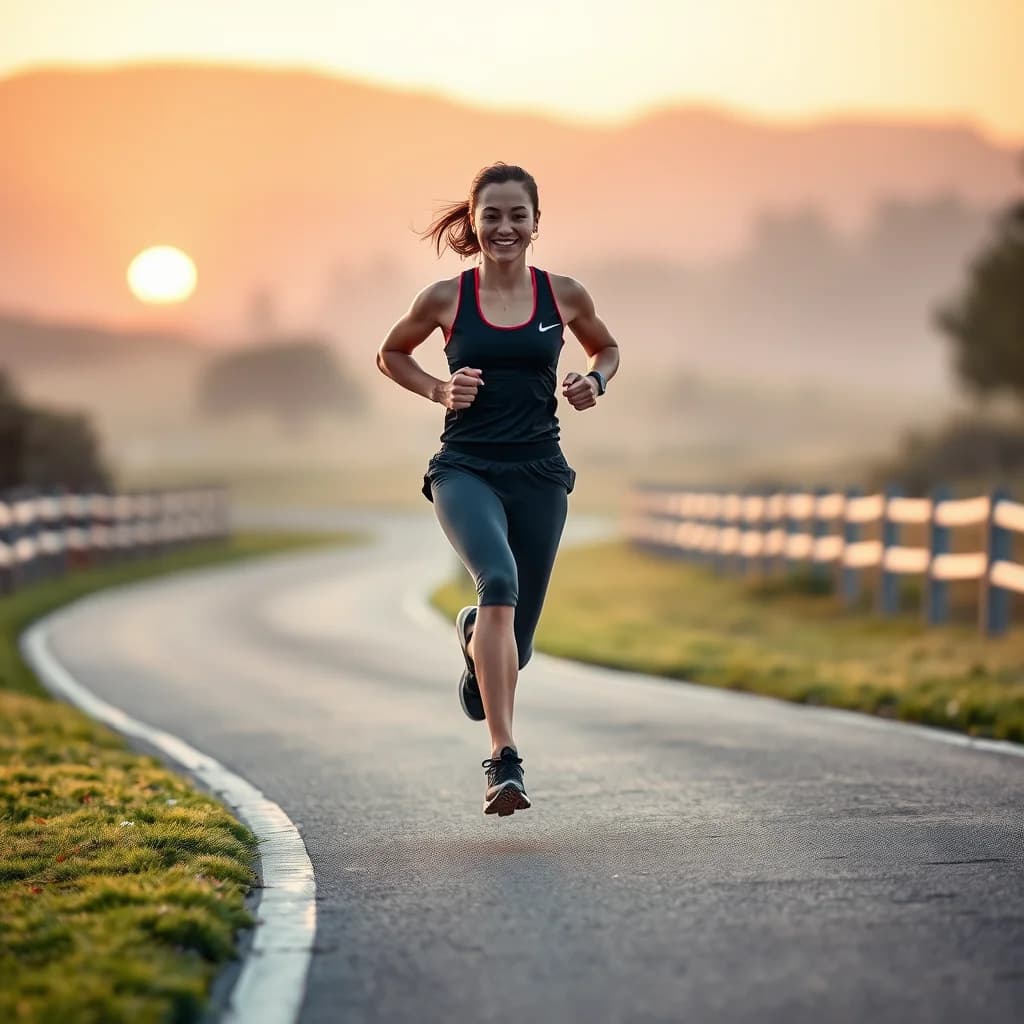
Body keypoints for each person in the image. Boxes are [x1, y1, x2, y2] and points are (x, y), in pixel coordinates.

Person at [376, 162, 620, 816]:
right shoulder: (445, 299)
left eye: (518, 215)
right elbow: (391, 353)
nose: (505, 227)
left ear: (536, 223)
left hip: (541, 473)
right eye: (493, 215)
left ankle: (472, 638)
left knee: (521, 647)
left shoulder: (563, 296)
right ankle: (503, 760)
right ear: (475, 222)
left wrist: (592, 384)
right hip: (465, 468)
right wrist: (436, 388)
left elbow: (606, 350)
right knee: (499, 582)